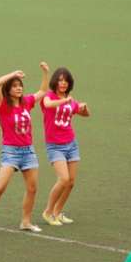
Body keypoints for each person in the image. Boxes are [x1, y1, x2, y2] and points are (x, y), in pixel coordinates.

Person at [0, 62, 50, 235]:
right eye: (15, 86)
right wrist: (12, 74)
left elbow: (42, 92)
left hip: (28, 151)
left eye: (20, 86)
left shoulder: (26, 102)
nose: (19, 89)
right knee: (0, 187)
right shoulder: (3, 106)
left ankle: (26, 222)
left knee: (32, 188)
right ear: (8, 89)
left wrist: (45, 73)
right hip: (11, 151)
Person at [40, 67, 90, 226]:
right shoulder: (49, 96)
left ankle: (57, 212)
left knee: (71, 182)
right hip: (55, 146)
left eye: (66, 81)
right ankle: (48, 212)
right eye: (60, 80)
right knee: (63, 179)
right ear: (55, 81)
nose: (63, 83)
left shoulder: (70, 100)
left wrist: (84, 107)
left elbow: (85, 114)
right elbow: (48, 105)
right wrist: (65, 101)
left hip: (71, 144)